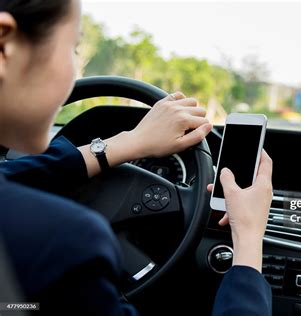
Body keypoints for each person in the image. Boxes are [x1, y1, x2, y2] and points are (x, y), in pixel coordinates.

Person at [0, 1, 273, 315]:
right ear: (4, 46)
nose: (74, 68)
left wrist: (129, 143)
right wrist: (249, 238)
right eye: (73, 49)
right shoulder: (68, 243)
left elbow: (8, 175)